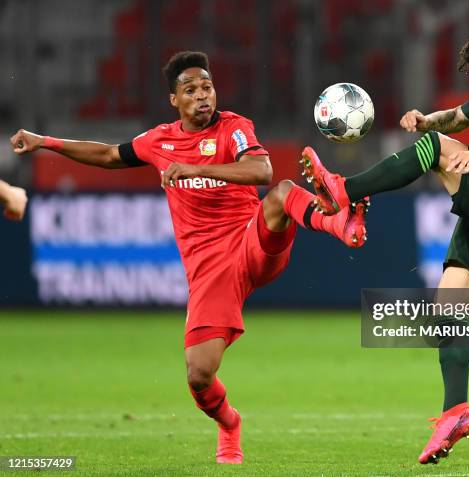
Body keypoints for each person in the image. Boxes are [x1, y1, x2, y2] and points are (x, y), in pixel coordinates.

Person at [11, 51, 370, 465]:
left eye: (207, 87)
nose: (203, 96)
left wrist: (194, 168)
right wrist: (45, 142)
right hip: (209, 270)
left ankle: (341, 223)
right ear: (174, 100)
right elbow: (110, 155)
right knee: (199, 374)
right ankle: (230, 424)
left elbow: (261, 171)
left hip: (251, 241)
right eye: (191, 90)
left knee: (283, 191)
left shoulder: (234, 128)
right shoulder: (158, 141)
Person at [300, 26, 469, 464]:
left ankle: (344, 192)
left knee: (437, 150)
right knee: (448, 308)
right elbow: (462, 116)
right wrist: (428, 119)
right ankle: (456, 411)